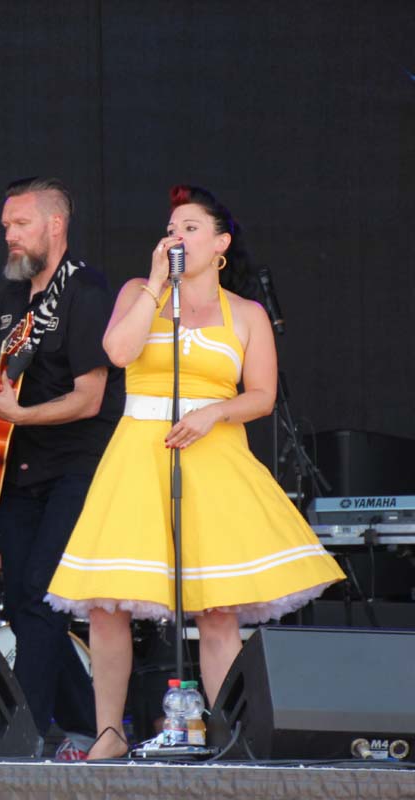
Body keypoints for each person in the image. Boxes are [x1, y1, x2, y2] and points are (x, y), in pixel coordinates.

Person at [46, 185, 345, 759]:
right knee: (107, 604)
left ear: (221, 243)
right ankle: (109, 734)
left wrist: (214, 413)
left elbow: (262, 395)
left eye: (190, 228)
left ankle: (230, 735)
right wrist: (156, 284)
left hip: (213, 457)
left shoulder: (247, 314)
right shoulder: (138, 291)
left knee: (217, 609)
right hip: (138, 455)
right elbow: (118, 353)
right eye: (171, 229)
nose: (177, 237)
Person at [0, 177, 124, 751]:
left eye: (20, 223)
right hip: (16, 468)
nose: (9, 234)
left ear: (55, 225)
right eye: (6, 225)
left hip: (75, 467)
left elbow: (90, 398)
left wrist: (20, 416)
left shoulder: (87, 291)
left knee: (41, 594)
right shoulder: (11, 298)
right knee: (26, 601)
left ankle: (21, 736)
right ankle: (84, 721)